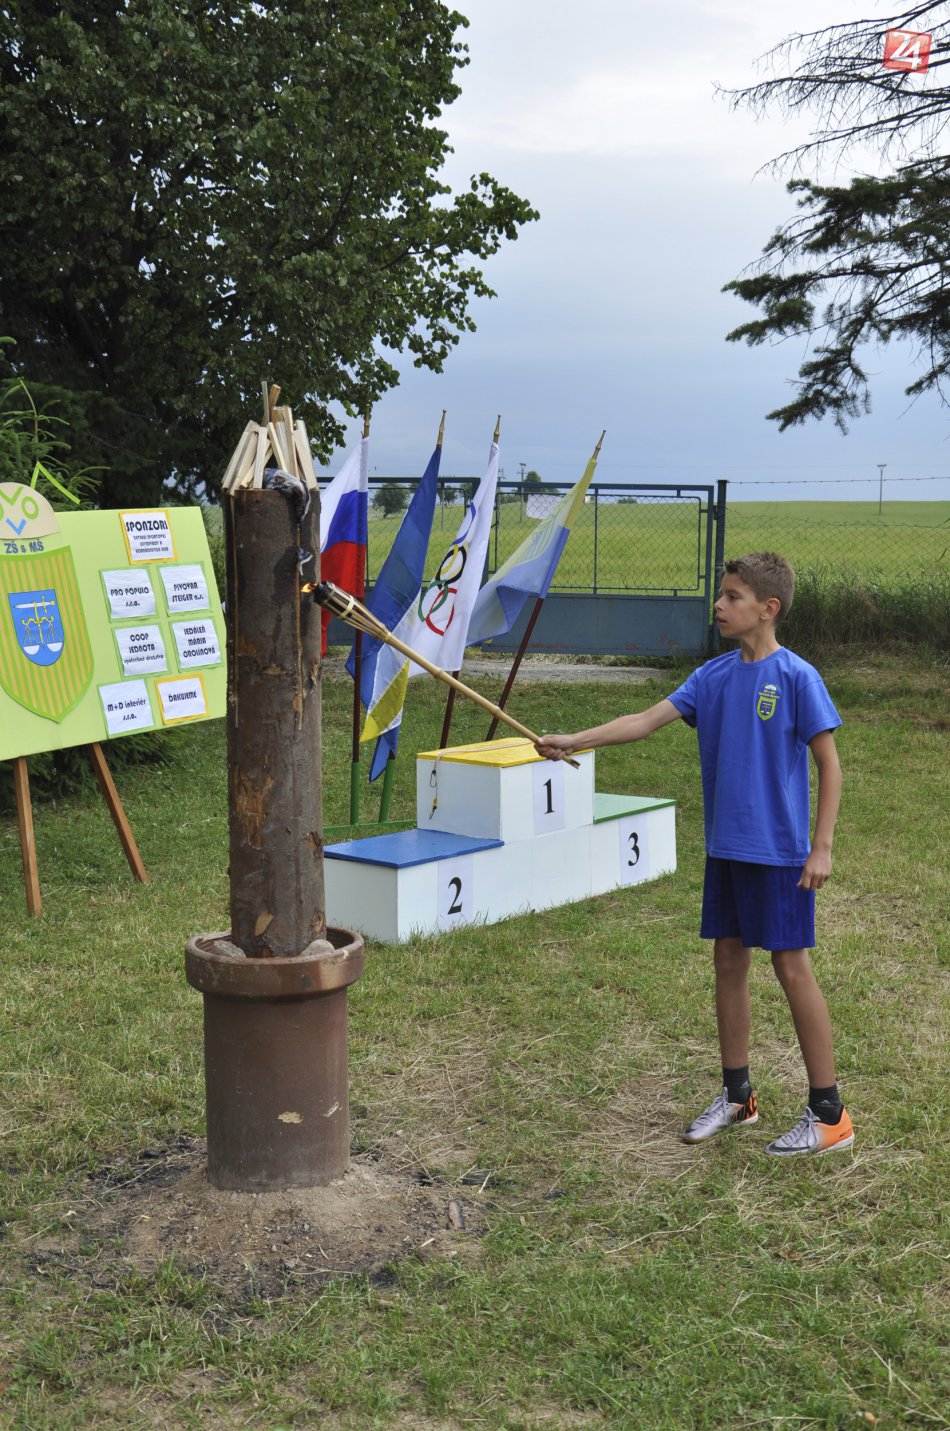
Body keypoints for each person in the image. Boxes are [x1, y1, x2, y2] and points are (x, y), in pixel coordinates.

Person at [536, 552, 853, 1157]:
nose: (719, 605)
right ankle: (738, 1097)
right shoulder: (712, 677)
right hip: (726, 849)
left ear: (768, 608)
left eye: (733, 596)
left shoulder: (797, 677)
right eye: (721, 594)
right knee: (728, 961)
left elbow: (830, 766)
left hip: (779, 854)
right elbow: (644, 720)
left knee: (791, 968)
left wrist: (822, 847)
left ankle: (830, 1113)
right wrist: (574, 740)